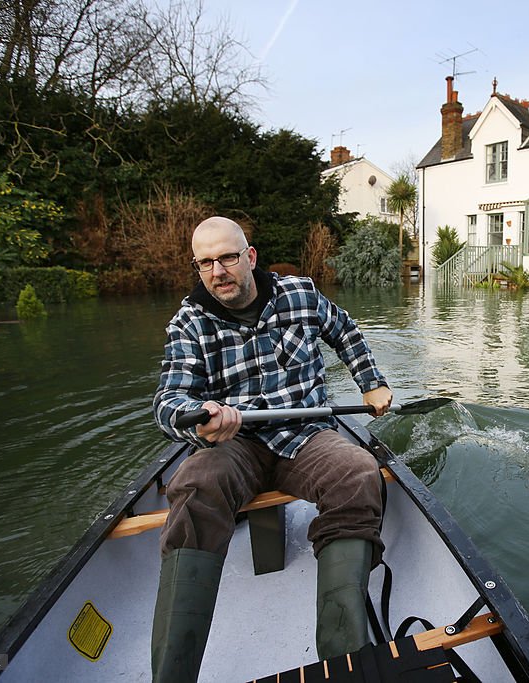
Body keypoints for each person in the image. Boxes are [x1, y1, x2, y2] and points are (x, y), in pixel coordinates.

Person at [150, 216, 393, 682]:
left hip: (305, 433)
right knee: (196, 483)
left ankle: (343, 661)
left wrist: (372, 383)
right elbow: (167, 403)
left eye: (227, 257)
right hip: (234, 445)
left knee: (358, 473)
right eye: (205, 263)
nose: (218, 271)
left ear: (250, 257)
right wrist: (201, 417)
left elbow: (344, 330)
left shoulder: (299, 295)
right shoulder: (189, 323)